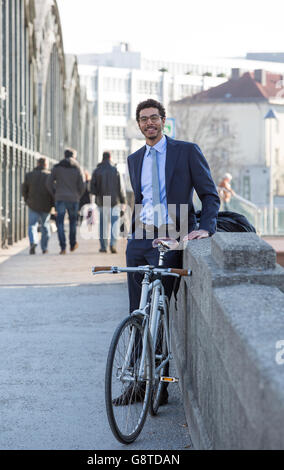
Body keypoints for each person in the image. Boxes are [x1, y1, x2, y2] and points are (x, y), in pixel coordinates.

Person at [116, 99, 220, 406]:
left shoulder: (186, 151)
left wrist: (206, 227)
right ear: (138, 125)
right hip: (139, 240)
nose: (149, 123)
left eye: (154, 118)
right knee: (137, 310)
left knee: (158, 308)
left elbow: (209, 194)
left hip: (174, 236)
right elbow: (142, 198)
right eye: (143, 119)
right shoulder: (135, 159)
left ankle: (159, 384)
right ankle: (135, 382)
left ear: (163, 121)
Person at [46, 148, 85, 255]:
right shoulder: (77, 168)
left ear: (64, 155)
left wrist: (55, 193)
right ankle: (72, 244)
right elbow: (82, 184)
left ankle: (63, 247)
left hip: (60, 198)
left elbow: (49, 183)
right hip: (73, 199)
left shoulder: (57, 167)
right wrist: (78, 195)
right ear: (74, 156)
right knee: (73, 222)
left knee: (60, 223)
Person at [91, 152, 126, 254]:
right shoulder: (115, 170)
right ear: (110, 158)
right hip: (114, 201)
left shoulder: (97, 171)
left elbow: (92, 188)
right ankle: (113, 244)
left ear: (102, 158)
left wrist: (98, 193)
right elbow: (121, 188)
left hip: (102, 201)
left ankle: (103, 246)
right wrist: (123, 201)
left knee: (103, 225)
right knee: (115, 223)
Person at [22, 157, 54, 255]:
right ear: (45, 165)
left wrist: (27, 200)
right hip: (46, 205)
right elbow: (53, 191)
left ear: (37, 163)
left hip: (33, 204)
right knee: (45, 226)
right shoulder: (49, 176)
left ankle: (33, 242)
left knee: (32, 225)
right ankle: (44, 248)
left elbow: (24, 189)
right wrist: (53, 204)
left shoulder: (29, 175)